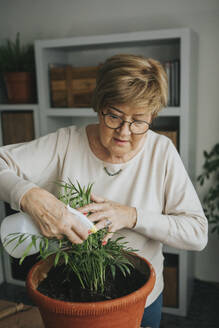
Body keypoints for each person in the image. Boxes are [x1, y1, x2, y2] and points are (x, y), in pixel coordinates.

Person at [0, 54, 208, 328]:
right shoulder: (66, 143)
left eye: (138, 121)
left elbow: (197, 233)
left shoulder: (161, 152)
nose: (124, 131)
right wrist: (31, 197)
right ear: (99, 107)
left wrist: (132, 216)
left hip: (140, 301)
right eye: (114, 116)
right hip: (72, 294)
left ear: (153, 117)